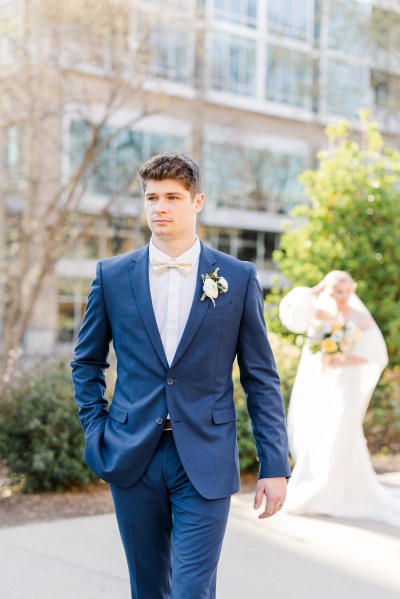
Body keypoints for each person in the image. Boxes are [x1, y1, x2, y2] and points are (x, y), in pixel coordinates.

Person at [71, 153, 291, 599]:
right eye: (152, 197)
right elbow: (87, 362)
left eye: (172, 197)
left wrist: (274, 464)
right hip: (133, 454)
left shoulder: (237, 277)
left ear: (198, 202)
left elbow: (261, 377)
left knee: (192, 590)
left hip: (206, 456)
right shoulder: (112, 276)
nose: (160, 207)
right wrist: (97, 432)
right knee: (148, 588)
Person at [279, 270, 400, 526]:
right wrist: (316, 290)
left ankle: (329, 491)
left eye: (347, 291)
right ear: (329, 290)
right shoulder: (320, 313)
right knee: (321, 432)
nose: (343, 296)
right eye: (337, 291)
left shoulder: (359, 317)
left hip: (347, 384)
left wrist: (342, 358)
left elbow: (377, 355)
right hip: (324, 383)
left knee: (340, 432)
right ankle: (322, 488)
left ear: (352, 290)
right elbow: (292, 310)